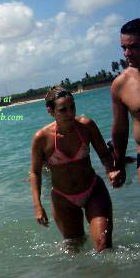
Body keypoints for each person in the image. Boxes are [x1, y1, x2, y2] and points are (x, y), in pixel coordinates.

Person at [30, 87, 118, 252]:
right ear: (51, 111)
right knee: (75, 250)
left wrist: (110, 170)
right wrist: (38, 206)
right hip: (64, 199)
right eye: (63, 110)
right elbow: (35, 173)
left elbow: (104, 154)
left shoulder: (86, 126)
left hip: (93, 190)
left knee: (103, 245)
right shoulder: (41, 139)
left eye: (73, 107)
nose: (70, 113)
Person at [111, 18, 140, 187]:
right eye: (124, 48)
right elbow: (120, 131)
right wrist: (119, 165)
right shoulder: (121, 84)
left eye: (134, 47)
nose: (127, 53)